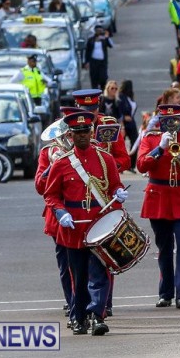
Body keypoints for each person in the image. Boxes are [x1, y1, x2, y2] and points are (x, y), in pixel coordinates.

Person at [44, 111, 128, 335]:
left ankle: (97, 316)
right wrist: (61, 213)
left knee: (100, 273)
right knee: (79, 277)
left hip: (99, 224)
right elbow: (51, 195)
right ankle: (78, 316)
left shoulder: (105, 159)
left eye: (85, 131)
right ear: (70, 135)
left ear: (91, 132)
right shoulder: (61, 163)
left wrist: (119, 193)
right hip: (74, 226)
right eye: (77, 132)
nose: (82, 136)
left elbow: (115, 185)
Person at [137, 104, 180, 309]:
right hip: (158, 198)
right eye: (166, 121)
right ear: (161, 121)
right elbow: (141, 165)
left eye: (174, 120)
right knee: (164, 247)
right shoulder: (151, 138)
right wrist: (160, 148)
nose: (170, 124)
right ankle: (166, 292)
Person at [35, 107, 77, 324]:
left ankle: (89, 304)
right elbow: (40, 186)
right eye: (66, 133)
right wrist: (51, 167)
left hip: (84, 211)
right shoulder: (48, 153)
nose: (68, 137)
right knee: (66, 264)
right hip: (60, 215)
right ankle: (73, 304)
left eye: (70, 133)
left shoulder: (87, 149)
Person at [72, 89, 132, 173]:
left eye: (93, 110)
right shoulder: (69, 127)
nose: (90, 115)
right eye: (85, 111)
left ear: (98, 108)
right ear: (77, 109)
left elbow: (125, 160)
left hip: (104, 178)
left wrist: (104, 165)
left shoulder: (109, 125)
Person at [84, 25, 113, 90]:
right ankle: (95, 91)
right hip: (93, 62)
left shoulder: (104, 39)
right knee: (94, 78)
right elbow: (87, 51)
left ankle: (103, 90)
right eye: (97, 31)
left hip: (102, 62)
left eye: (100, 31)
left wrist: (107, 37)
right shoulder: (91, 40)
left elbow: (111, 45)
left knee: (103, 78)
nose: (99, 32)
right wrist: (86, 62)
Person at [118, 80, 138, 170]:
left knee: (135, 142)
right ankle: (122, 164)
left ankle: (131, 164)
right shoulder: (121, 97)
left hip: (132, 123)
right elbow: (118, 109)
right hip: (124, 124)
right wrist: (123, 117)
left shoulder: (130, 97)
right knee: (121, 145)